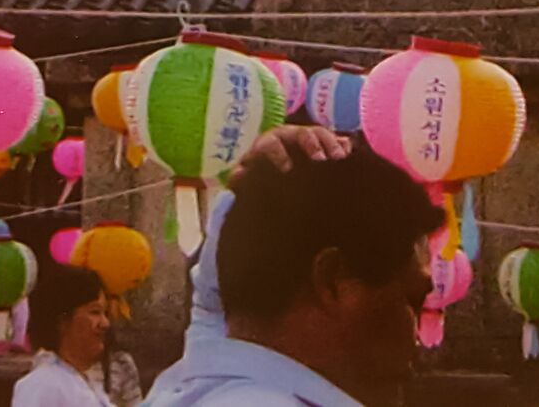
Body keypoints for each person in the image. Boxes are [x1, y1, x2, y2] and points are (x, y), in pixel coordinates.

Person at [146, 128, 444, 407]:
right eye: (411, 301)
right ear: (332, 280)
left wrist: (258, 187)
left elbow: (211, 302)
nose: (416, 341)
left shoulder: (201, 379)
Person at [11, 263, 116, 407]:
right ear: (63, 321)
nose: (105, 323)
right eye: (95, 312)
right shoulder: (43, 386)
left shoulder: (85, 383)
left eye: (105, 313)